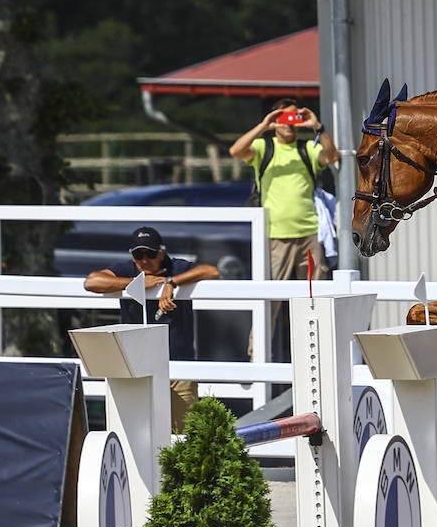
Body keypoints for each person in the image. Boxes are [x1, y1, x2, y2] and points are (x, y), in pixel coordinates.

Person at [229, 99, 341, 361]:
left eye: (294, 118)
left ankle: (316, 356)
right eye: (284, 118)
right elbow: (236, 151)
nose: (289, 124)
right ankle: (256, 357)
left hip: (310, 236)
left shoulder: (307, 149)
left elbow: (332, 157)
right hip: (275, 237)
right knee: (270, 301)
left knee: (314, 298)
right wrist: (265, 125)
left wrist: (317, 127)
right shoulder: (263, 147)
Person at [83, 226, 221, 433]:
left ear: (162, 253)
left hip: (178, 369)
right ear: (132, 256)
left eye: (151, 253)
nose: (145, 259)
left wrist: (171, 283)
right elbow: (91, 282)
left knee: (185, 436)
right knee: (137, 434)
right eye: (139, 254)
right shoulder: (128, 270)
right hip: (136, 369)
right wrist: (136, 283)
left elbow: (212, 272)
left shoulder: (176, 267)